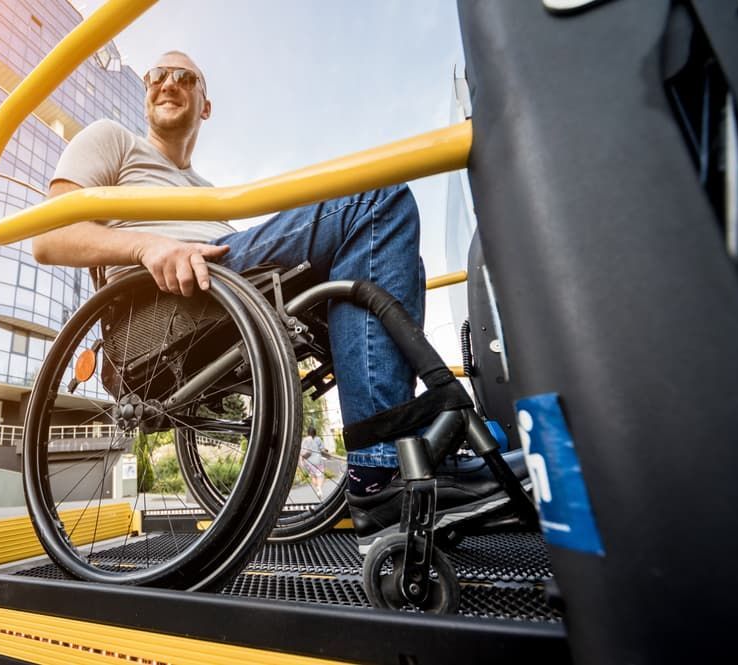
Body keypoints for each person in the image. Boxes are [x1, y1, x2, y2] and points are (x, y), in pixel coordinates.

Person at [34, 50, 514, 552]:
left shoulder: (210, 192)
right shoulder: (114, 139)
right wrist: (147, 245)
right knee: (378, 199)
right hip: (166, 298)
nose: (167, 83)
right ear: (146, 91)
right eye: (157, 76)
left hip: (227, 283)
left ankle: (401, 454)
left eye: (185, 77)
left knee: (389, 264)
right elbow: (49, 237)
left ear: (205, 104)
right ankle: (380, 474)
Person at [300, 426, 327, 497]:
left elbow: (302, 451)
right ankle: (319, 488)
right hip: (317, 461)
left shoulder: (305, 440)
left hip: (308, 462)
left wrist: (302, 460)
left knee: (313, 476)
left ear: (308, 432)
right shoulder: (318, 439)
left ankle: (317, 488)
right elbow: (322, 450)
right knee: (320, 476)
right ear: (315, 432)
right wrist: (325, 451)